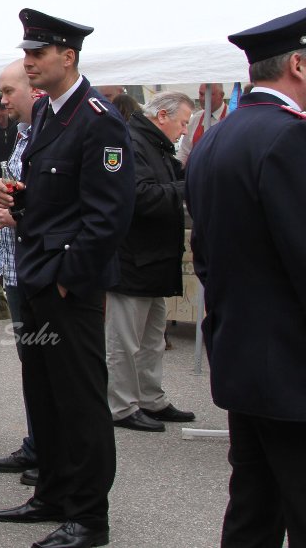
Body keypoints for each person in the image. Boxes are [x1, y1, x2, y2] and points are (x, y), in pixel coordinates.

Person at [0, 9, 134, 548]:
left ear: (67, 57)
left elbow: (108, 216)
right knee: (44, 393)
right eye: (26, 54)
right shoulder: (49, 114)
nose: (28, 63)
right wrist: (16, 199)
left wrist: (70, 279)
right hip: (37, 272)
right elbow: (56, 198)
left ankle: (88, 516)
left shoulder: (98, 118)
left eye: (37, 54)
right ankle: (51, 492)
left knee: (79, 400)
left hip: (67, 280)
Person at [185, 7, 306, 547]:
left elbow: (205, 252)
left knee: (254, 510)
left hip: (243, 352)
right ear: (298, 65)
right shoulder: (287, 138)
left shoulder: (218, 137)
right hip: (290, 363)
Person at [106, 92, 196, 434]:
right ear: (162, 116)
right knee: (125, 340)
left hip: (153, 259)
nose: (183, 131)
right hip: (133, 259)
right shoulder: (131, 143)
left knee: (152, 337)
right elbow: (140, 196)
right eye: (183, 123)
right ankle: (121, 405)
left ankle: (149, 397)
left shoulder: (154, 144)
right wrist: (184, 189)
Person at [0, 61, 42, 485]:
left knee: (48, 366)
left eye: (7, 92)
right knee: (33, 364)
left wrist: (18, 218)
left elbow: (65, 208)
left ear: (33, 90)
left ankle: (51, 453)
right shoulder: (25, 133)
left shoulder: (52, 135)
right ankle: (38, 444)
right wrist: (3, 194)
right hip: (18, 267)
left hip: (40, 267)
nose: (2, 101)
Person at [177, 82, 226, 165]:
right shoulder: (195, 119)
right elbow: (184, 152)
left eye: (210, 95)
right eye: (201, 94)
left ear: (221, 95)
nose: (203, 99)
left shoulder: (231, 116)